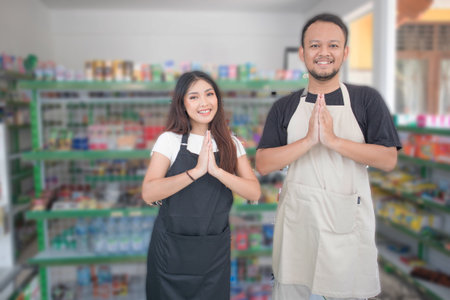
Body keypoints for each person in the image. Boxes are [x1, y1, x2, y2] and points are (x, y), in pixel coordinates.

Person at [255, 13, 402, 300]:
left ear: (345, 52)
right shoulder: (284, 106)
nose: (324, 53)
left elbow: (387, 159)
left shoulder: (366, 100)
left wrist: (334, 141)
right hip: (299, 224)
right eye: (314, 45)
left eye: (333, 45)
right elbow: (263, 163)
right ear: (302, 53)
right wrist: (309, 141)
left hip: (346, 226)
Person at [141, 70, 261, 300]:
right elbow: (149, 192)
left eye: (209, 94)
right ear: (182, 104)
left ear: (218, 99)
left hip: (213, 253)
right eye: (194, 97)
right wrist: (195, 172)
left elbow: (253, 191)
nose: (204, 102)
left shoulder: (232, 143)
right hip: (171, 251)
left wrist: (217, 172)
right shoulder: (170, 140)